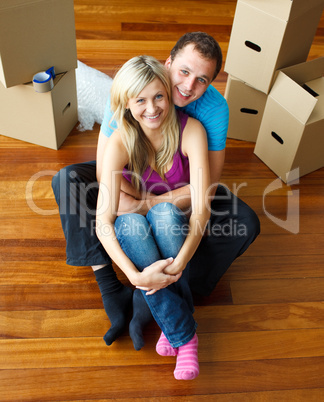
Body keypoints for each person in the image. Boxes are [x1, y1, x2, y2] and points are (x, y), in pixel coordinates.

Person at [52, 32, 260, 350]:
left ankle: (162, 281)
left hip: (178, 186)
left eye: (202, 79)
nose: (189, 86)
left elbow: (207, 188)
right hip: (130, 176)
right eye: (184, 72)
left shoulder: (213, 112)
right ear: (168, 63)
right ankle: (112, 288)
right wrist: (130, 199)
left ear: (211, 84)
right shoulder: (136, 86)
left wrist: (150, 204)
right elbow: (103, 167)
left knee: (245, 222)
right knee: (67, 180)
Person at [96, 55, 211, 380]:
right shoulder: (121, 141)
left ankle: (172, 329)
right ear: (127, 104)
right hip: (138, 231)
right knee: (127, 223)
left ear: (168, 93)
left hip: (180, 227)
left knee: (162, 213)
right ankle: (185, 336)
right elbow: (103, 221)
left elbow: (201, 209)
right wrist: (133, 275)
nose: (152, 108)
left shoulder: (192, 131)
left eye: (159, 96)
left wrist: (179, 264)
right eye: (141, 100)